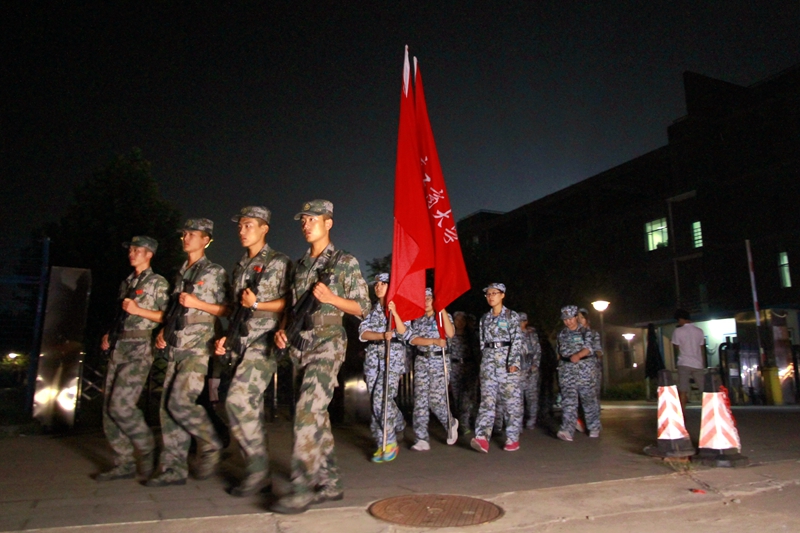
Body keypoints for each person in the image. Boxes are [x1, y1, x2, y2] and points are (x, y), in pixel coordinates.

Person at [271, 199, 370, 514]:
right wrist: (282, 330)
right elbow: (291, 308)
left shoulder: (344, 261)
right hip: (300, 344)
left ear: (328, 223)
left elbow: (363, 307)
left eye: (312, 219)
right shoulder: (299, 265)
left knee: (306, 411)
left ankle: (302, 486)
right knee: (316, 414)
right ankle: (330, 482)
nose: (306, 224)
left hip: (328, 342)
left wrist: (332, 298)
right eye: (303, 220)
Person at [214, 206, 291, 497]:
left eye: (248, 225)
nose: (242, 230)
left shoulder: (279, 262)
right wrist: (226, 337)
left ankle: (258, 471)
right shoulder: (239, 266)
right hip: (240, 342)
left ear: (264, 229)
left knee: (238, 399)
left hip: (264, 340)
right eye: (240, 226)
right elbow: (236, 308)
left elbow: (290, 302)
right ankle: (258, 472)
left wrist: (258, 305)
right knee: (248, 408)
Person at [145, 219, 228, 487]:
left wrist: (198, 303)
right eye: (184, 234)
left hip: (198, 347)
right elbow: (175, 310)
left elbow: (229, 309)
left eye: (193, 234)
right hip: (176, 344)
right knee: (166, 407)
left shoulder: (214, 271)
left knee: (180, 402)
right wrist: (164, 331)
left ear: (206, 240)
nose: (186, 238)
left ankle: (211, 441)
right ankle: (173, 468)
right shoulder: (181, 273)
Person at [97, 236, 169, 481]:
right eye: (130, 249)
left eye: (137, 250)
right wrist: (110, 334)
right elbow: (122, 315)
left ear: (149, 254)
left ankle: (147, 447)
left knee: (121, 405)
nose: (132, 253)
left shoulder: (157, 282)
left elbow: (167, 316)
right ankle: (124, 462)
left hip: (140, 346)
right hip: (120, 345)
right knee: (108, 408)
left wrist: (139, 310)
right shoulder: (127, 282)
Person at [358, 273, 410, 463]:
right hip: (373, 359)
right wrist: (381, 335)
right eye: (376, 284)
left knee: (381, 398)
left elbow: (406, 334)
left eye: (383, 283)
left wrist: (394, 313)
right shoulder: (372, 310)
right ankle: (387, 436)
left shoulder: (401, 308)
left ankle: (390, 442)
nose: (378, 287)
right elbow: (363, 333)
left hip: (393, 357)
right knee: (375, 400)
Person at [470, 283, 524, 453]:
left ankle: (512, 438)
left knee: (510, 403)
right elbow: (482, 342)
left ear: (502, 295)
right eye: (488, 294)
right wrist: (485, 362)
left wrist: (513, 362)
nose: (491, 296)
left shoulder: (511, 316)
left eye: (494, 293)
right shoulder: (485, 318)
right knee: (486, 401)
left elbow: (517, 340)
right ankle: (482, 438)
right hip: (489, 364)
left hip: (506, 364)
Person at [408, 288, 458, 451]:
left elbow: (450, 333)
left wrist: (442, 309)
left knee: (436, 399)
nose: (425, 302)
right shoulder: (418, 319)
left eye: (429, 298)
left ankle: (450, 422)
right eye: (423, 299)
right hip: (422, 360)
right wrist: (433, 341)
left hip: (439, 361)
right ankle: (421, 438)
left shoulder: (443, 316)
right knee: (420, 400)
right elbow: (413, 339)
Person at [556, 305, 601, 441]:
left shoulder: (586, 332)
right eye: (565, 319)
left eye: (570, 319)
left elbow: (589, 348)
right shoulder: (562, 334)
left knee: (588, 399)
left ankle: (594, 427)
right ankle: (567, 430)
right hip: (567, 371)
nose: (568, 322)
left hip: (584, 370)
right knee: (568, 401)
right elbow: (559, 350)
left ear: (576, 317)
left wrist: (579, 355)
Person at [449, 311, 478, 434]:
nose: (460, 322)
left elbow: (477, 353)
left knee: (468, 396)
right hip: (454, 367)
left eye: (462, 320)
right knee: (456, 396)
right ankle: (459, 421)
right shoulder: (450, 336)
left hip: (468, 366)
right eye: (457, 320)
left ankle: (465, 423)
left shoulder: (471, 336)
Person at [671, 309, 706, 410]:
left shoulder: (678, 331)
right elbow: (701, 348)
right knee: (704, 390)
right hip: (697, 363)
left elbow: (676, 347)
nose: (678, 322)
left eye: (678, 320)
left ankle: (682, 413)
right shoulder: (699, 331)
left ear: (681, 319)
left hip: (684, 363)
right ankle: (709, 411)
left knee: (683, 390)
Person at [574, 308, 602, 433]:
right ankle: (580, 422)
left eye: (582, 317)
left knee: (591, 398)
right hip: (576, 369)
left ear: (587, 319)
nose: (580, 320)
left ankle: (594, 425)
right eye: (577, 317)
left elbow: (598, 351)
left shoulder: (593, 333)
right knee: (576, 397)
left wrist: (591, 356)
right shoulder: (573, 333)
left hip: (590, 369)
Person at [518, 313, 542, 429]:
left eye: (522, 321)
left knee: (532, 398)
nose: (520, 324)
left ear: (526, 322)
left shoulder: (532, 335)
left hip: (531, 372)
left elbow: (537, 351)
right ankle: (518, 423)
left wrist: (534, 365)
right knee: (517, 399)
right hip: (518, 372)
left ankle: (531, 420)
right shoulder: (512, 335)